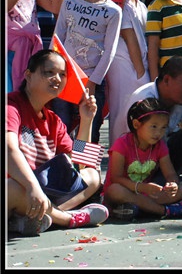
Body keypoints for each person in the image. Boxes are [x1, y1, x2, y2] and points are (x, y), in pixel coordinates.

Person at [6, 50, 109, 235]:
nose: (57, 79)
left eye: (62, 74)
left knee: (93, 176)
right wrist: (32, 187)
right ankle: (68, 219)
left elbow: (81, 163)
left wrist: (87, 120)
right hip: (19, 189)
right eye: (49, 72)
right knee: (12, 188)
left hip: (40, 193)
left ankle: (28, 219)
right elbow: (8, 149)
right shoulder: (10, 106)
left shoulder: (54, 120)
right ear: (28, 75)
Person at [50, 0, 121, 145]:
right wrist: (53, 71)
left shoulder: (113, 11)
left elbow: (110, 51)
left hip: (91, 82)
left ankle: (83, 162)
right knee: (61, 126)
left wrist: (93, 82)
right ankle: (63, 161)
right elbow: (57, 38)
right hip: (64, 79)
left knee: (88, 129)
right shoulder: (69, 3)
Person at [118, 56, 182, 176]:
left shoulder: (180, 100)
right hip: (135, 168)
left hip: (160, 160)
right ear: (167, 79)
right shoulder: (144, 101)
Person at [103, 98, 182, 220]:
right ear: (136, 124)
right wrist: (141, 187)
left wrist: (172, 184)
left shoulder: (160, 146)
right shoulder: (122, 144)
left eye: (163, 127)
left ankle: (140, 209)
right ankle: (165, 211)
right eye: (154, 126)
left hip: (147, 194)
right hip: (125, 192)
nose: (158, 133)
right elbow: (116, 178)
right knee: (115, 190)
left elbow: (170, 173)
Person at [106, 0, 151, 147]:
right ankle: (118, 156)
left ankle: (137, 158)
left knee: (138, 116)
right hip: (124, 66)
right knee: (121, 114)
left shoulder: (141, 5)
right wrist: (140, 72)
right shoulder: (118, 4)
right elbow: (128, 36)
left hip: (139, 66)